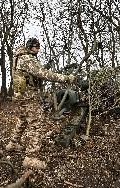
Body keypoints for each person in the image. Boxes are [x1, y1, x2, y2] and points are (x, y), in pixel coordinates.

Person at [6, 37, 77, 169]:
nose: (38, 49)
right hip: (29, 97)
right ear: (29, 47)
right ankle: (31, 158)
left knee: (23, 119)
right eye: (35, 46)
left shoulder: (19, 57)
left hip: (21, 95)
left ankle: (13, 143)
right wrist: (67, 78)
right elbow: (44, 73)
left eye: (39, 46)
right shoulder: (27, 59)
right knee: (37, 124)